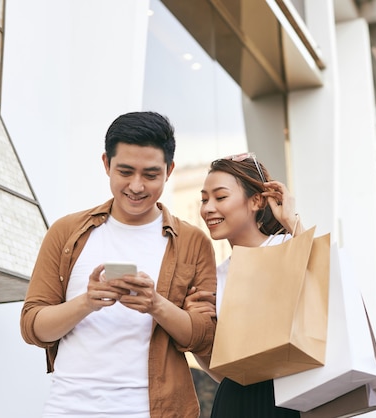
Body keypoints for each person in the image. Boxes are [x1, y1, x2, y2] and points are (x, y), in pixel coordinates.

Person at [20, 111, 217, 418]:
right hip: (68, 408)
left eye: (151, 175)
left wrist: (155, 305)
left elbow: (203, 338)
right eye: (125, 172)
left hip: (154, 411)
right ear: (106, 164)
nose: (137, 186)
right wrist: (88, 302)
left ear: (169, 170)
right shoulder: (66, 232)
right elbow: (33, 327)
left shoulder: (193, 242)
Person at [184, 152, 303, 418]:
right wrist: (196, 333)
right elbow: (223, 373)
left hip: (293, 398)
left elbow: (322, 288)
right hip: (236, 401)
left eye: (220, 197)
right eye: (204, 199)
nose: (207, 208)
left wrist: (291, 220)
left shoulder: (286, 247)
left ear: (256, 201)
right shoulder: (214, 278)